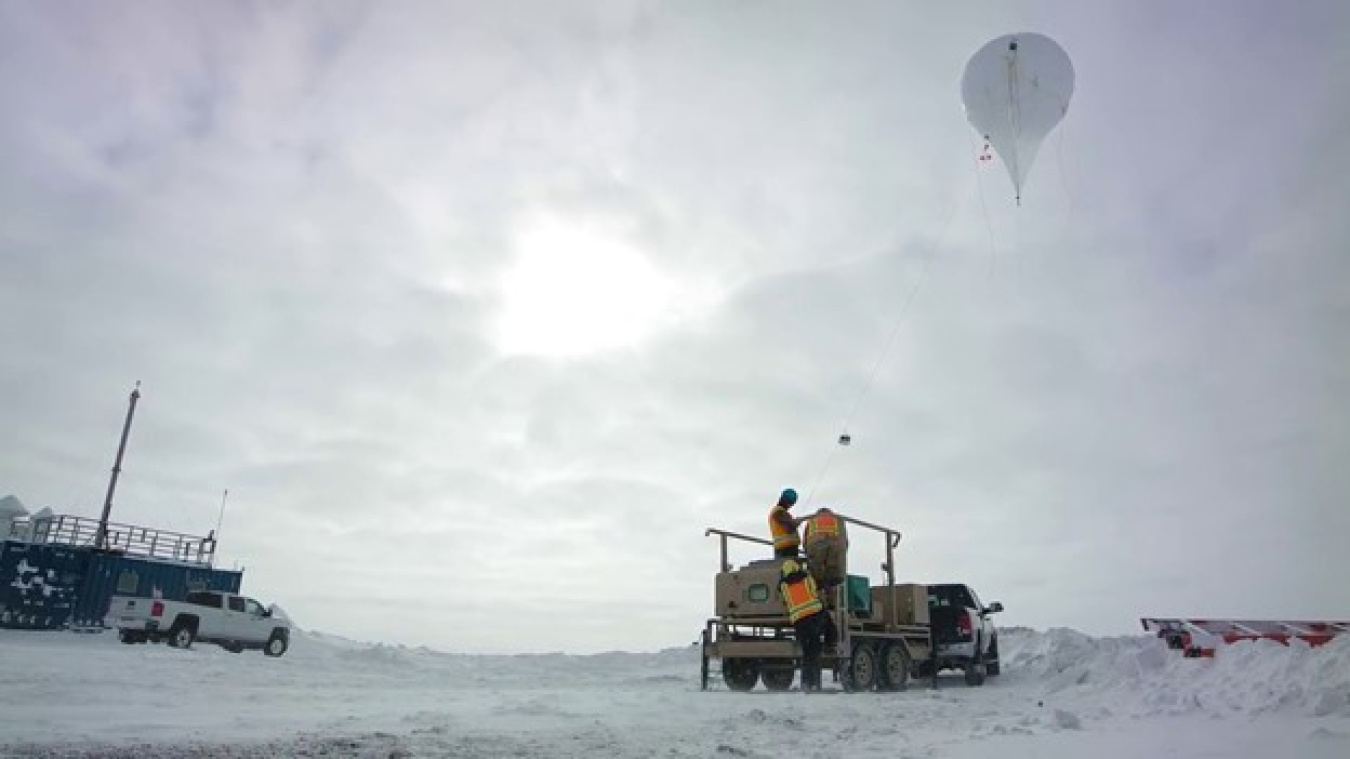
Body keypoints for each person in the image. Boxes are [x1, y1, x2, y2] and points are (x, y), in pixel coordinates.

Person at [778, 558, 827, 692]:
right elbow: (814, 590)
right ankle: (815, 683)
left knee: (806, 654)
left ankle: (805, 683)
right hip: (813, 618)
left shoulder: (783, 586)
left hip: (800, 622)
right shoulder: (806, 578)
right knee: (815, 652)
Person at [803, 507, 848, 606]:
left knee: (817, 578)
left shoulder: (812, 520)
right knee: (833, 578)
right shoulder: (838, 519)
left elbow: (805, 541)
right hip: (836, 550)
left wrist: (806, 552)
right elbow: (845, 541)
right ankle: (832, 603)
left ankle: (819, 602)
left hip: (816, 549)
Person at [768, 488, 806, 559]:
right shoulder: (779, 512)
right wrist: (797, 522)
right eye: (791, 503)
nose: (791, 506)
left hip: (785, 548)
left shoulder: (779, 512)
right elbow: (789, 528)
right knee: (789, 569)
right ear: (787, 502)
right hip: (786, 549)